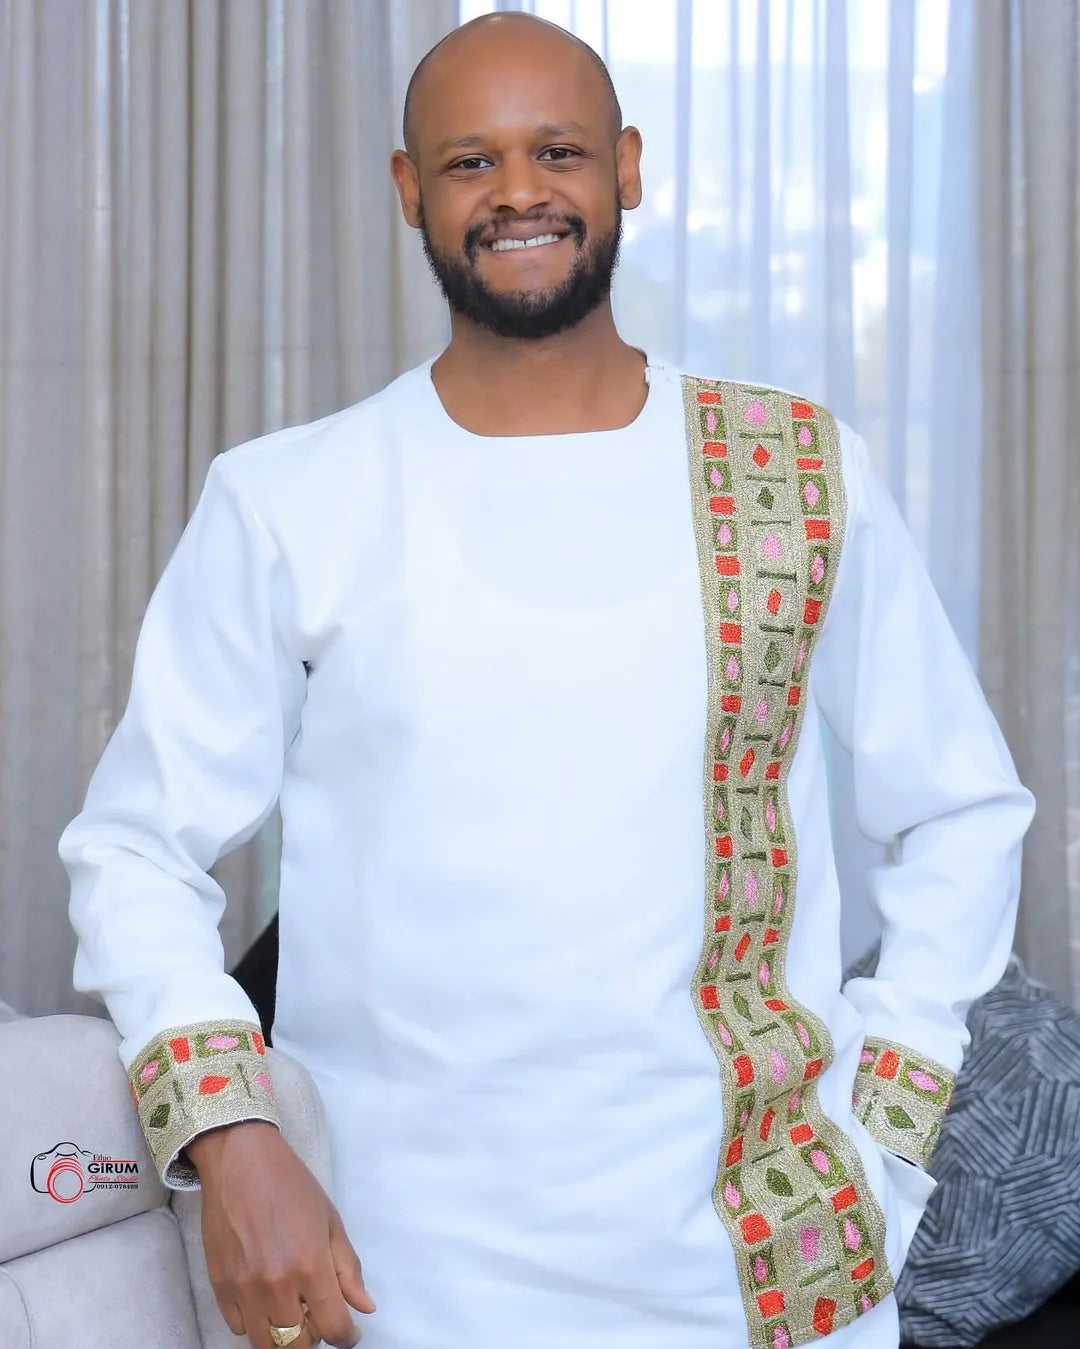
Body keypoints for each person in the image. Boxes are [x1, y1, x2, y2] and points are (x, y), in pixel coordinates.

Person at [59, 13, 1034, 1349]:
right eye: (471, 161)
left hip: (761, 1275)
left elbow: (963, 808)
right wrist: (229, 1132)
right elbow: (135, 845)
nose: (519, 190)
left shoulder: (797, 474)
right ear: (411, 189)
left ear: (626, 167)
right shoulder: (291, 499)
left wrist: (891, 1118)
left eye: (558, 150)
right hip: (393, 1276)